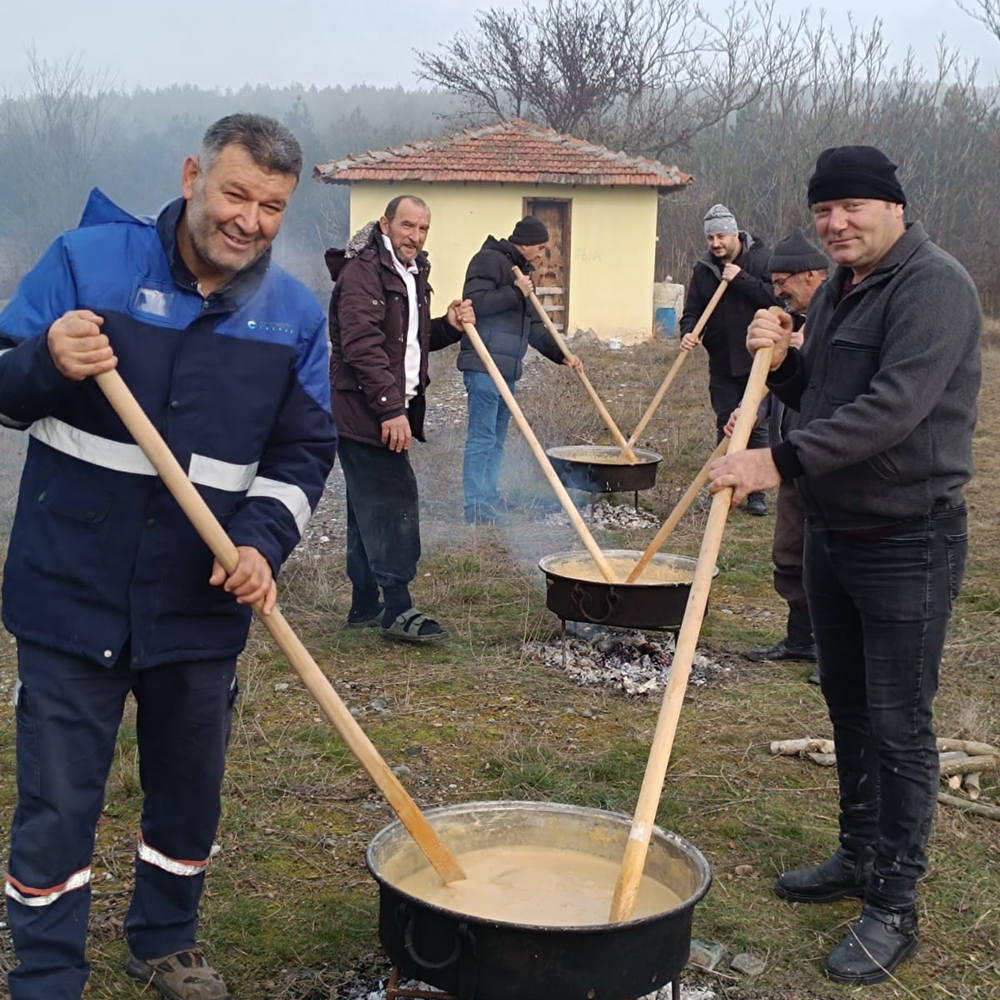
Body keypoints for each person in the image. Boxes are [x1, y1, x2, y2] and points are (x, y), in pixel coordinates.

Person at [0, 114, 338, 1000]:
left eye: (272, 206)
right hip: (70, 591)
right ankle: (46, 971)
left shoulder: (294, 317)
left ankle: (164, 940)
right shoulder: (87, 265)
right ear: (193, 175)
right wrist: (46, 359)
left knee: (189, 793)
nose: (250, 220)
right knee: (58, 802)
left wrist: (261, 542)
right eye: (235, 194)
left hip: (198, 605)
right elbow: (3, 388)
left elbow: (304, 453)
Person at [708, 146, 981, 985]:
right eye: (824, 210)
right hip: (834, 531)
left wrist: (774, 461)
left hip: (907, 539)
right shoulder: (839, 289)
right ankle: (858, 856)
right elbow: (822, 393)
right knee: (848, 705)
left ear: (894, 206)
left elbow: (891, 411)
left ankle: (894, 904)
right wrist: (785, 363)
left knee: (900, 725)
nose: (836, 223)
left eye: (852, 206)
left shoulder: (935, 287)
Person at [325, 195, 474, 642]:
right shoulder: (364, 272)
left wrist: (448, 326)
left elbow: (409, 340)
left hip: (385, 407)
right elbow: (362, 347)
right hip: (366, 410)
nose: (416, 235)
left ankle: (364, 604)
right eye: (407, 225)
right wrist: (391, 410)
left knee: (366, 507)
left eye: (423, 228)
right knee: (394, 500)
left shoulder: (411, 271)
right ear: (385, 224)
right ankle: (397, 609)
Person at [741, 230, 828, 676]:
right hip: (792, 454)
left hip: (831, 459)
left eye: (783, 282)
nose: (778, 293)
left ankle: (835, 653)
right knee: (790, 551)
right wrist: (747, 410)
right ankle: (800, 640)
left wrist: (804, 347)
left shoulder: (840, 314)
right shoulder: (789, 321)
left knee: (829, 560)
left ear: (811, 275)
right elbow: (781, 383)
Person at [457, 216, 583, 525]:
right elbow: (474, 304)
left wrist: (561, 354)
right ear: (525, 244)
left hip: (507, 368)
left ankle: (488, 496)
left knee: (497, 438)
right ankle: (475, 505)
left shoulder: (523, 273)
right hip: (483, 363)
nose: (541, 254)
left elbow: (534, 327)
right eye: (539, 248)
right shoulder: (488, 260)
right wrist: (516, 291)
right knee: (482, 437)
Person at [679, 203, 778, 516]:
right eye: (711, 238)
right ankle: (724, 486)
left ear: (735, 234)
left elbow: (775, 298)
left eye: (721, 236)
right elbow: (693, 310)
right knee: (726, 424)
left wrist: (741, 278)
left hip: (756, 361)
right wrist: (688, 331)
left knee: (756, 425)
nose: (716, 243)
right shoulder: (704, 270)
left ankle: (756, 493)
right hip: (721, 362)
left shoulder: (762, 260)